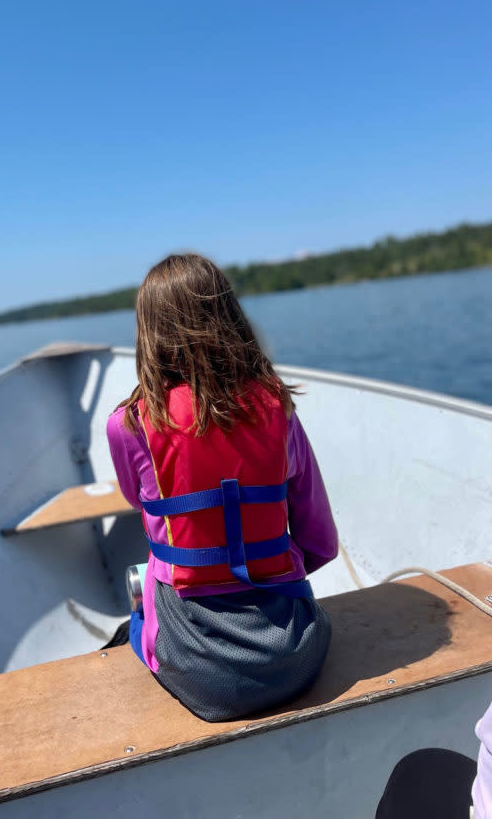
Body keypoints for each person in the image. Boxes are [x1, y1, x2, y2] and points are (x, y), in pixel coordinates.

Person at [106, 253, 338, 721]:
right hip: (294, 650)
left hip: (199, 667)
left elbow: (139, 502)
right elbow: (320, 543)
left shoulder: (128, 425)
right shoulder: (278, 407)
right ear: (230, 317)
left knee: (150, 579)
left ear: (148, 332)